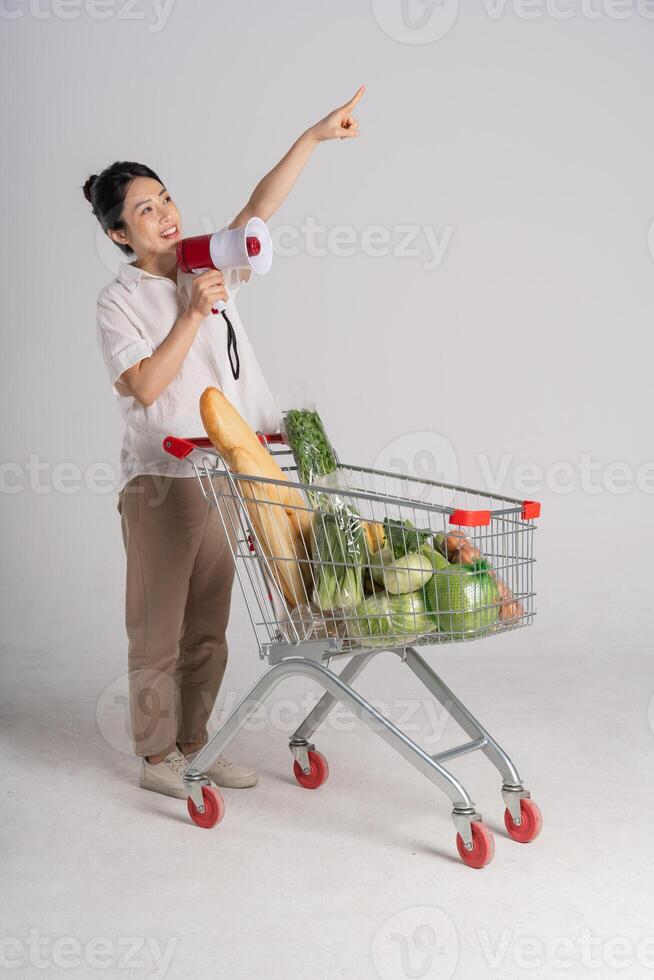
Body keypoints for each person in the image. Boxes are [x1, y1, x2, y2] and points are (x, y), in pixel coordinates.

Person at [84, 87, 365, 800]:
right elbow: (145, 388)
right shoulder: (119, 300)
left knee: (209, 629)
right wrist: (190, 311)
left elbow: (258, 211)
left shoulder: (205, 261)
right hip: (162, 483)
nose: (165, 213)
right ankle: (156, 760)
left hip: (227, 479)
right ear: (121, 233)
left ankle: (194, 746)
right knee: (159, 632)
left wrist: (313, 136)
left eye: (166, 197)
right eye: (145, 209)